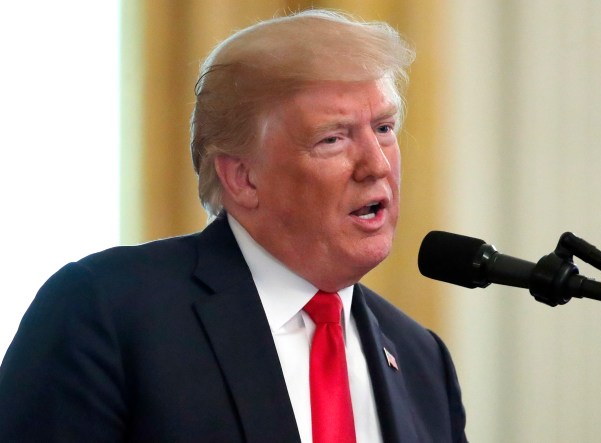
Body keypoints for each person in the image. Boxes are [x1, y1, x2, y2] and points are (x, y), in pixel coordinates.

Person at [0, 9, 468, 443]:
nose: (377, 164)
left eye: (384, 128)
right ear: (242, 177)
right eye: (333, 138)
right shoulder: (105, 311)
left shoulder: (422, 358)